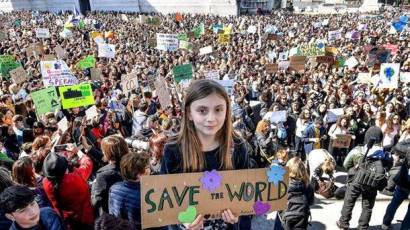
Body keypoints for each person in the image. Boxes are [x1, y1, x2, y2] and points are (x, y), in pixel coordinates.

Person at [161, 79, 251, 229]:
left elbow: (247, 196)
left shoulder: (238, 147)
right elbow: (165, 204)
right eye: (202, 110)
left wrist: (239, 216)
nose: (211, 118)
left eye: (218, 110)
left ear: (227, 111)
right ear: (189, 113)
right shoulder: (173, 150)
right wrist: (182, 224)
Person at [337, 126, 390, 230]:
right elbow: (388, 166)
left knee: (349, 201)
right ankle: (363, 227)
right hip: (373, 182)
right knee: (368, 206)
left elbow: (345, 164)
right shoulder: (384, 153)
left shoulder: (359, 150)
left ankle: (343, 223)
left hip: (357, 180)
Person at [42, 149, 94, 229]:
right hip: (85, 219)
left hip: (67, 222)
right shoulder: (74, 179)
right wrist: (78, 152)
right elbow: (87, 164)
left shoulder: (46, 183)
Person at [108, 150, 150, 228]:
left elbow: (112, 213)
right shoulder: (146, 196)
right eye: (147, 168)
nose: (149, 170)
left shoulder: (114, 188)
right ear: (139, 174)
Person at [92, 135, 129, 215]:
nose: (102, 152)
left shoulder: (103, 174)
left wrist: (94, 185)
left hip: (112, 216)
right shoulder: (132, 165)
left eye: (103, 150)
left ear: (108, 153)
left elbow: (96, 202)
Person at [276, 157, 314, 230]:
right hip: (302, 217)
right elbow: (311, 202)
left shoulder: (281, 184)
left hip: (284, 217)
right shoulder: (308, 185)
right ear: (303, 170)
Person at [381, 140, 410, 230]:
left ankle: (386, 224)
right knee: (395, 201)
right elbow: (398, 146)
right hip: (404, 178)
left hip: (404, 178)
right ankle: (387, 223)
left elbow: (398, 146)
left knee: (395, 202)